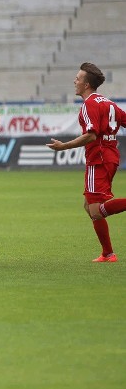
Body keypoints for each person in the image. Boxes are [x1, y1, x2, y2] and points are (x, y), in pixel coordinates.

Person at [46, 62, 126, 262]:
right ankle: (108, 253)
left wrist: (64, 146)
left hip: (98, 158)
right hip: (110, 157)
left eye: (78, 78)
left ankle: (109, 253)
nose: (75, 81)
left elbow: (91, 135)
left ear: (87, 85)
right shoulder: (108, 103)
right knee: (88, 206)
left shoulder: (89, 105)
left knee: (96, 211)